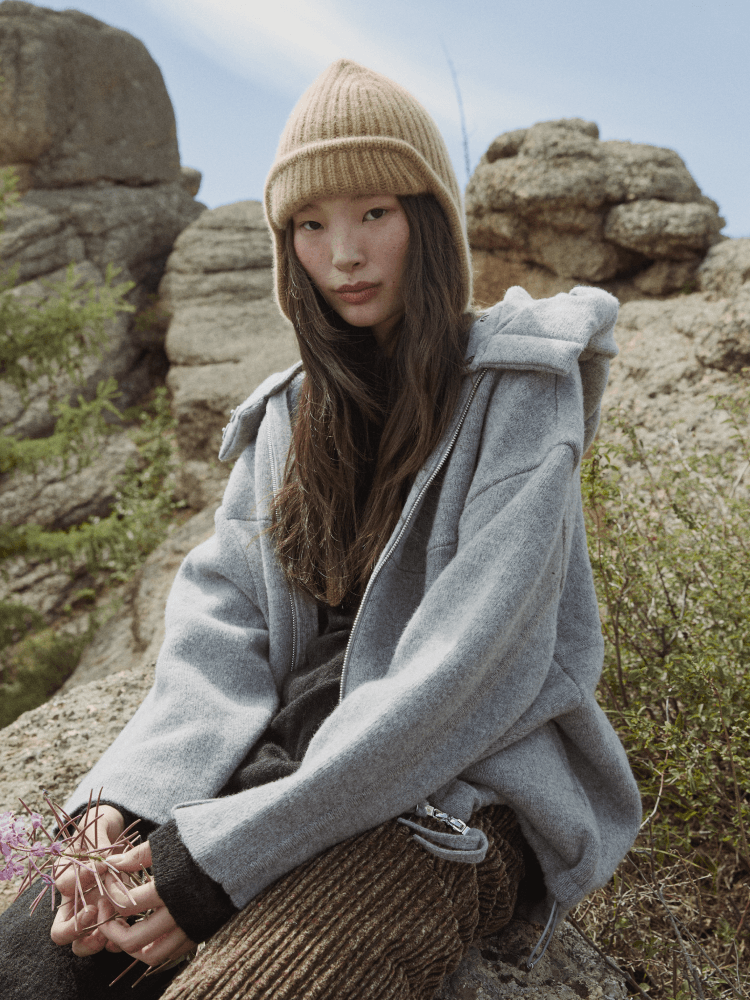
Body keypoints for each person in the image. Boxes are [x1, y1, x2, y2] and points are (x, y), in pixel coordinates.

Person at [0, 59, 641, 999]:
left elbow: (465, 671)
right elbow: (224, 624)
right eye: (310, 224)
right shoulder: (289, 414)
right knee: (25, 964)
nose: (343, 254)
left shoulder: (520, 390)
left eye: (373, 212)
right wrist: (127, 798)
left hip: (453, 793)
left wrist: (215, 863)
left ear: (429, 220)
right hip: (278, 768)